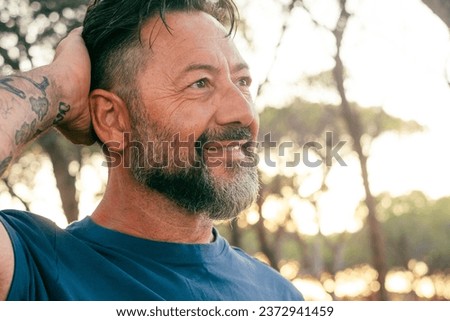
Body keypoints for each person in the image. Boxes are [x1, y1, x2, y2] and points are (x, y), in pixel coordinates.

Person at [0, 0, 304, 300]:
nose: (244, 112)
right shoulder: (37, 269)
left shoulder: (280, 296)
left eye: (242, 81)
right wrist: (58, 85)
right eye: (200, 83)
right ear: (112, 119)